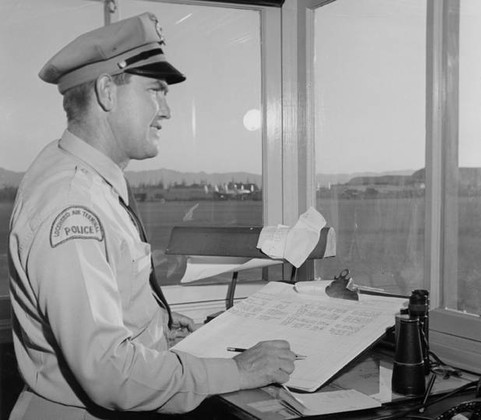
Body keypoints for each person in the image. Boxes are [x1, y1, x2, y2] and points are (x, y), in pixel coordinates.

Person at [8, 12, 295, 420]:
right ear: (107, 91)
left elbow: (107, 298)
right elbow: (108, 373)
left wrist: (158, 326)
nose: (166, 111)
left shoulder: (85, 174)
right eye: (156, 91)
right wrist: (237, 370)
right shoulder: (72, 204)